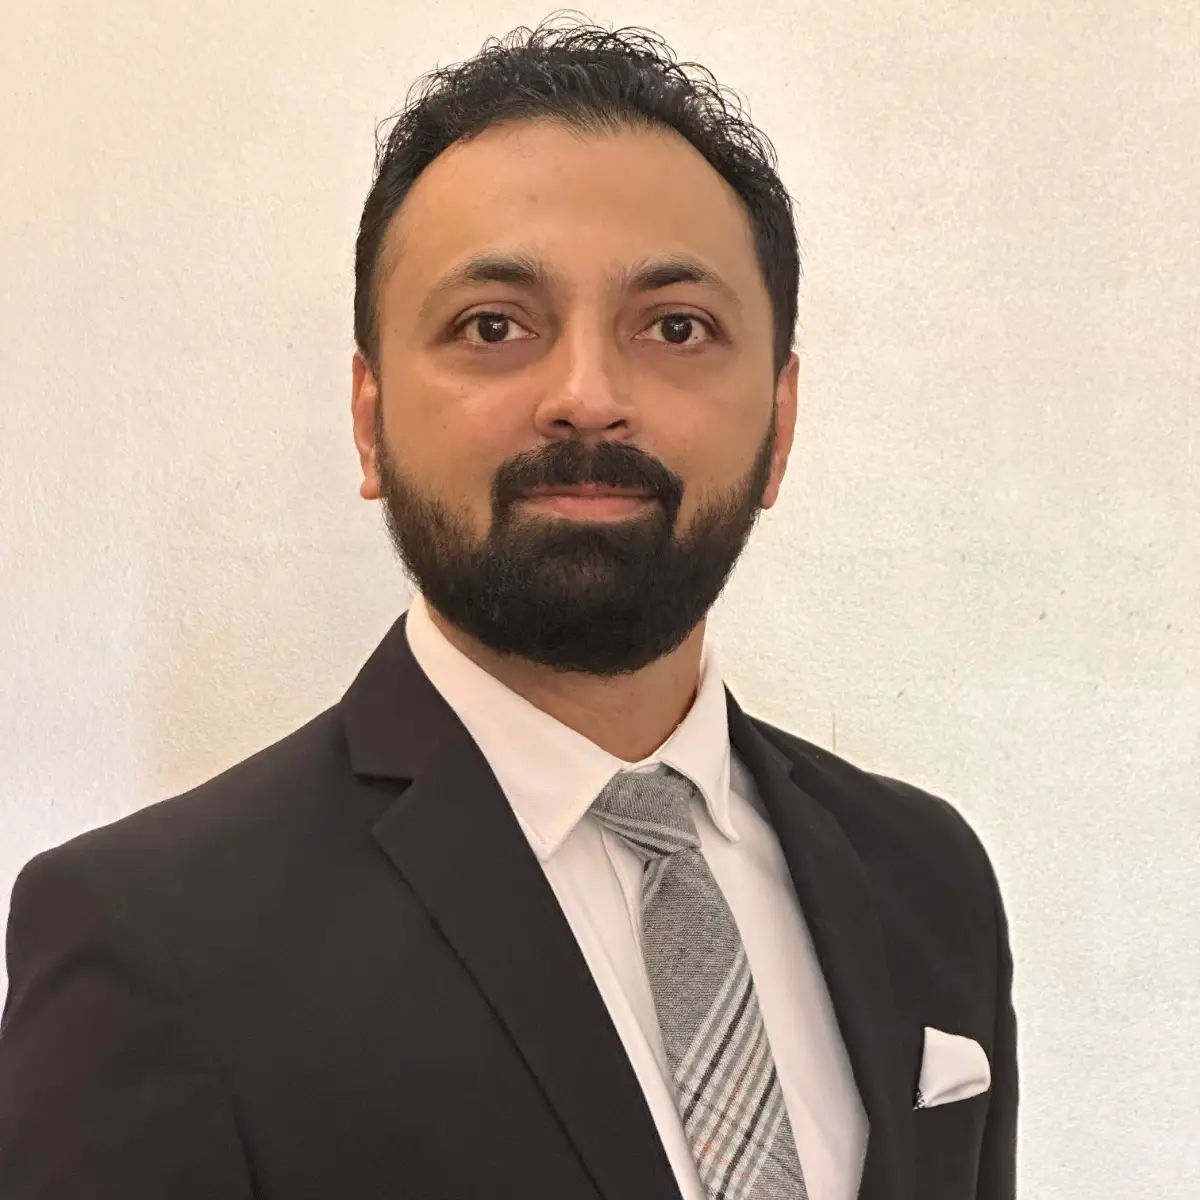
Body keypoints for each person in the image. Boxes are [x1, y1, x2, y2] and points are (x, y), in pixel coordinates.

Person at [0, 16, 1017, 1200]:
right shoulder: (153, 941)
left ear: (780, 426)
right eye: (493, 326)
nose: (587, 395)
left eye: (676, 327)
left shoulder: (925, 874)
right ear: (370, 419)